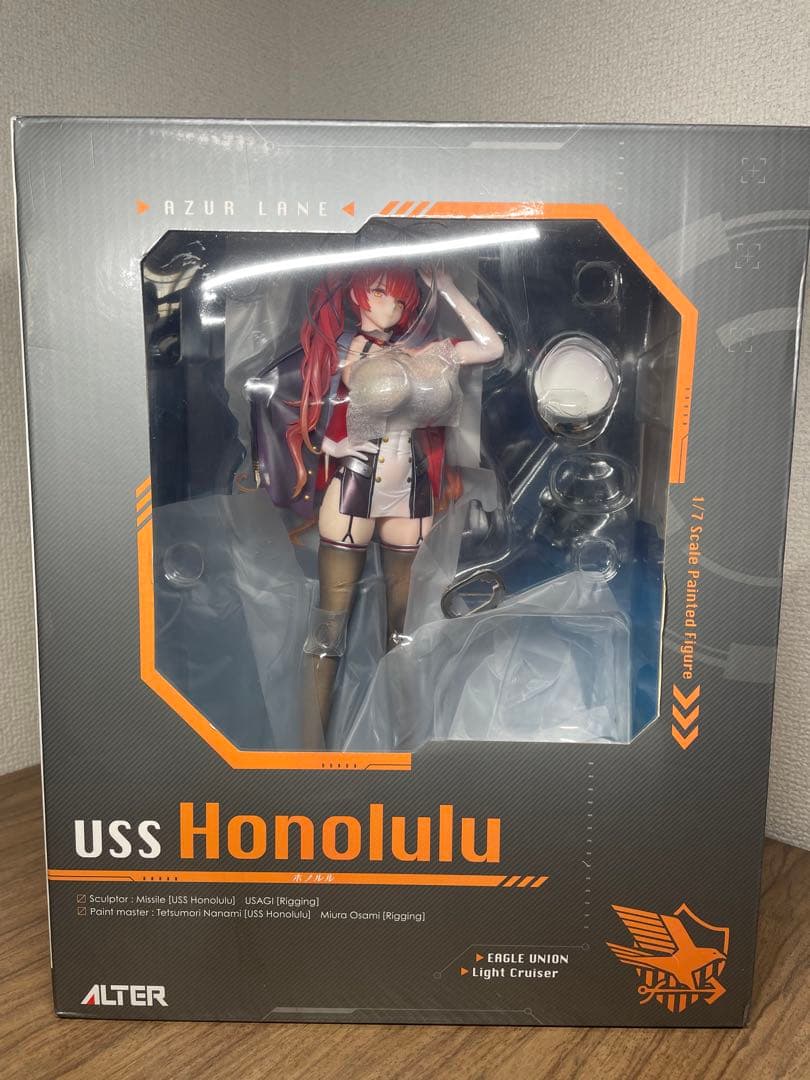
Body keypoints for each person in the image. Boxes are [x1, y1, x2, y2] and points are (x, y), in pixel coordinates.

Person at [254, 263, 503, 746]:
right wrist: (329, 444)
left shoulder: (429, 352)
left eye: (400, 296)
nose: (392, 304)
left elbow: (492, 348)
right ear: (357, 295)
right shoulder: (346, 350)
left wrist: (447, 289)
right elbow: (293, 397)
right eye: (381, 292)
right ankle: (308, 754)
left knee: (406, 633)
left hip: (412, 492)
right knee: (329, 629)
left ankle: (410, 752)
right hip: (355, 486)